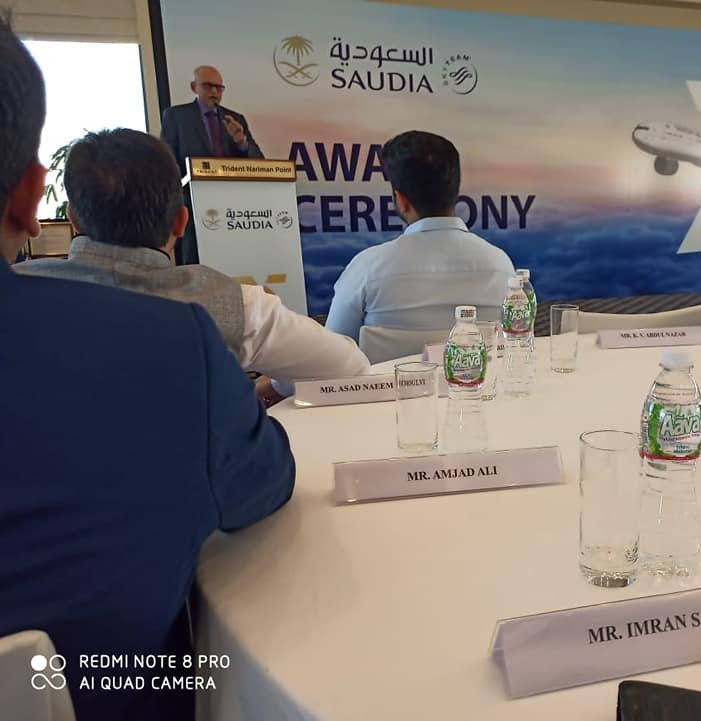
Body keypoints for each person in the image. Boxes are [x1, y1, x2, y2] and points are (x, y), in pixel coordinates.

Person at [0, 17, 295, 721]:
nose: (214, 95)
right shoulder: (172, 349)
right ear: (29, 196)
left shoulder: (236, 130)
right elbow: (267, 483)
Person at [16, 128, 369, 402]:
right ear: (181, 222)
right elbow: (349, 369)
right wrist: (269, 387)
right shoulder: (239, 305)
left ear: (73, 219)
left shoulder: (12, 292)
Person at [324, 130, 516, 343]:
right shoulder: (502, 267)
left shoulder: (367, 269)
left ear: (401, 200)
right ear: (455, 191)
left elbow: (332, 351)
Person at [161, 65, 263, 264]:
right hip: (193, 206)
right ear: (194, 87)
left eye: (219, 88)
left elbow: (258, 161)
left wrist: (240, 141)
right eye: (208, 86)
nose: (214, 92)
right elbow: (168, 160)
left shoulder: (235, 119)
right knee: (195, 262)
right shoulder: (176, 116)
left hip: (234, 208)